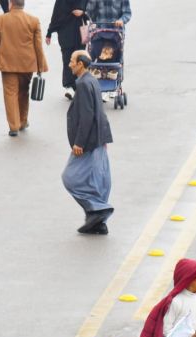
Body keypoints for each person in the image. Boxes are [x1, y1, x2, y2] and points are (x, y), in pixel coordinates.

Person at [62, 50, 114, 234]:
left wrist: (79, 143)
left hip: (89, 141)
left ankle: (98, 210)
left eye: (72, 61)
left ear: (80, 64)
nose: (69, 64)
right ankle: (98, 222)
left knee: (70, 177)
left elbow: (87, 116)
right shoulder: (91, 80)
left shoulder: (84, 84)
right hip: (98, 138)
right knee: (98, 179)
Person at [0, 0, 49, 137]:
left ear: (10, 4)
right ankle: (23, 121)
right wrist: (40, 67)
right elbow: (38, 45)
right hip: (27, 64)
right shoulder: (33, 20)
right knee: (23, 92)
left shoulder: (0, 19)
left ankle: (13, 126)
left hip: (8, 64)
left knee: (10, 94)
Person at [45, 0, 86, 99]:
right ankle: (69, 86)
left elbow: (92, 8)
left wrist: (83, 12)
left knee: (81, 59)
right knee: (68, 59)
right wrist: (49, 32)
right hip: (65, 32)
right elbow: (56, 13)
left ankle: (79, 85)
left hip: (81, 31)